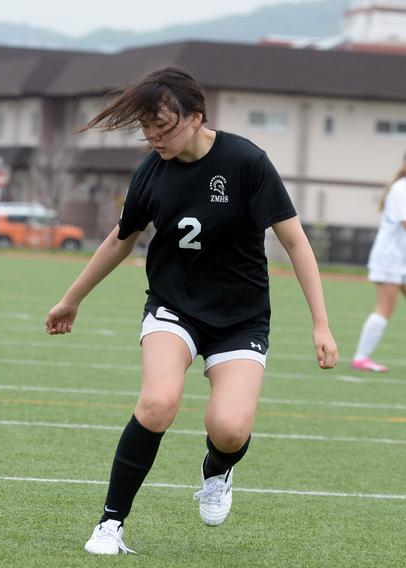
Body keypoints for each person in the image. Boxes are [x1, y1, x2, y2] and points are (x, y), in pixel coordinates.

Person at [45, 66, 338, 555]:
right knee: (158, 402)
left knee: (228, 428)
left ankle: (217, 468)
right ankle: (110, 524)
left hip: (241, 318)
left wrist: (321, 323)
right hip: (173, 307)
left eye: (164, 126)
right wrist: (71, 298)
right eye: (147, 128)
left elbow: (295, 241)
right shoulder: (150, 173)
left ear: (197, 115)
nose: (154, 137)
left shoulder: (246, 161)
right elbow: (121, 241)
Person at [351, 152, 406, 372]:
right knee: (385, 308)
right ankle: (361, 358)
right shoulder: (401, 188)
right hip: (389, 259)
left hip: (400, 259)